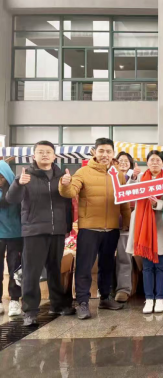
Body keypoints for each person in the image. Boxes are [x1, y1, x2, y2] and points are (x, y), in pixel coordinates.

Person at [59, 138, 131, 320]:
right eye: (101, 151)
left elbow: (123, 201)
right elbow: (70, 192)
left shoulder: (117, 174)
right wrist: (65, 183)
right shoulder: (83, 172)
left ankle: (105, 298)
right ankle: (82, 302)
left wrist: (126, 221)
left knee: (107, 266)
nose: (105, 155)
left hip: (112, 229)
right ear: (94, 152)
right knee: (84, 267)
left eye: (108, 151)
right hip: (89, 229)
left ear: (113, 154)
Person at [6, 141, 74, 326]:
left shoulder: (62, 176)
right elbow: (11, 199)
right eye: (41, 152)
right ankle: (30, 311)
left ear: (54, 156)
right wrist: (19, 184)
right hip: (34, 231)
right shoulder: (25, 176)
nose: (45, 155)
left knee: (55, 269)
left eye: (48, 152)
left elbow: (68, 203)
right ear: (33, 156)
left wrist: (67, 226)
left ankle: (58, 305)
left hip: (57, 230)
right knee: (31, 272)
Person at [126, 151, 163, 314]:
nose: (155, 163)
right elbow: (127, 193)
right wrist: (132, 177)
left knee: (161, 265)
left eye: (158, 160)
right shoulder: (140, 178)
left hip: (161, 226)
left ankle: (159, 298)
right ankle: (149, 298)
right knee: (147, 266)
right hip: (143, 226)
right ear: (147, 163)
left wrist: (157, 203)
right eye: (151, 160)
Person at [114, 152, 141, 303]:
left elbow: (134, 193)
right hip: (107, 224)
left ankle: (123, 289)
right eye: (120, 160)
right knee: (105, 258)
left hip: (126, 224)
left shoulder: (135, 178)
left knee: (124, 257)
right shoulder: (109, 176)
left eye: (126, 161)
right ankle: (105, 289)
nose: (123, 163)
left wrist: (135, 177)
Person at [0, 161, 23, 318]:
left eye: (1, 177)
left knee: (15, 269)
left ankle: (15, 299)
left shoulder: (17, 191)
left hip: (16, 236)